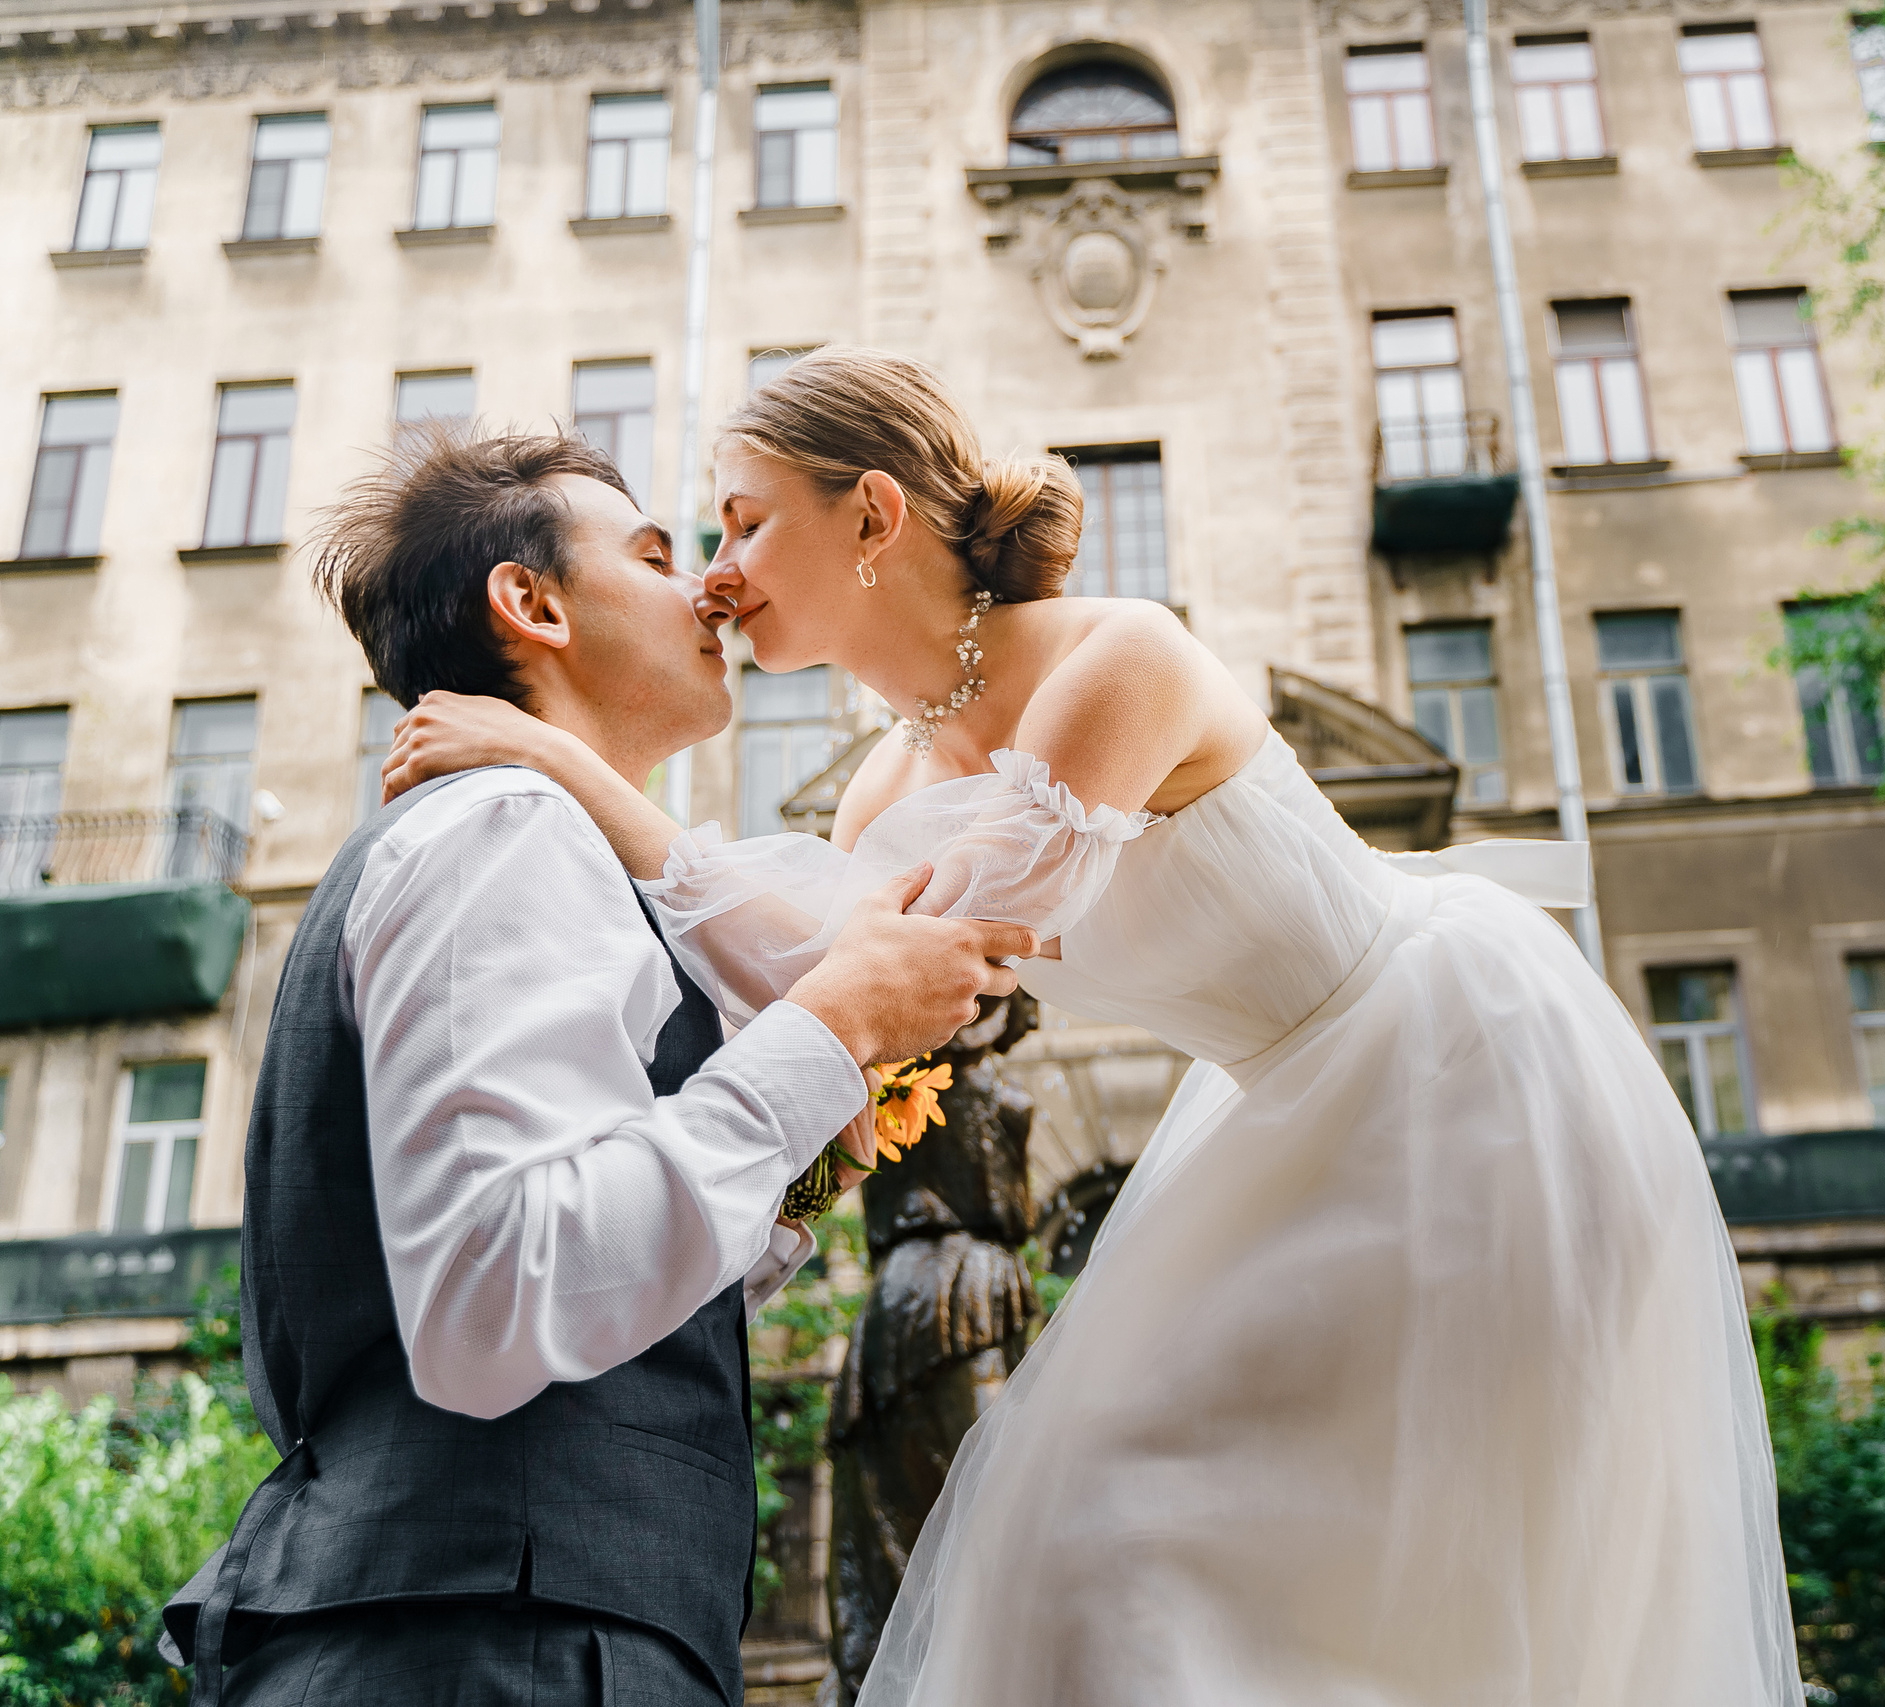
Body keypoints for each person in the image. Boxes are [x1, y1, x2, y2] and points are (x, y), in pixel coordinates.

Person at [384, 349, 1802, 1704]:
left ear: (870, 512)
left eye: (746, 523)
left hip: (1461, 1081)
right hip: (1282, 1127)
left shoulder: (1123, 656)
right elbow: (880, 1018)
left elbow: (953, 939)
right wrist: (774, 1214)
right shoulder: (878, 796)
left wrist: (574, 769)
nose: (716, 572)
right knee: (1084, 1541)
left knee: (1404, 1578)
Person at [159, 424, 1038, 1707]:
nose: (713, 590)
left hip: (512, 1631)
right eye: (656, 553)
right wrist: (831, 1028)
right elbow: (498, 1294)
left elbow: (588, 1301)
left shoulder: (535, 842)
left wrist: (798, 1172)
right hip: (496, 1650)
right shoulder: (506, 827)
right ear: (530, 603)